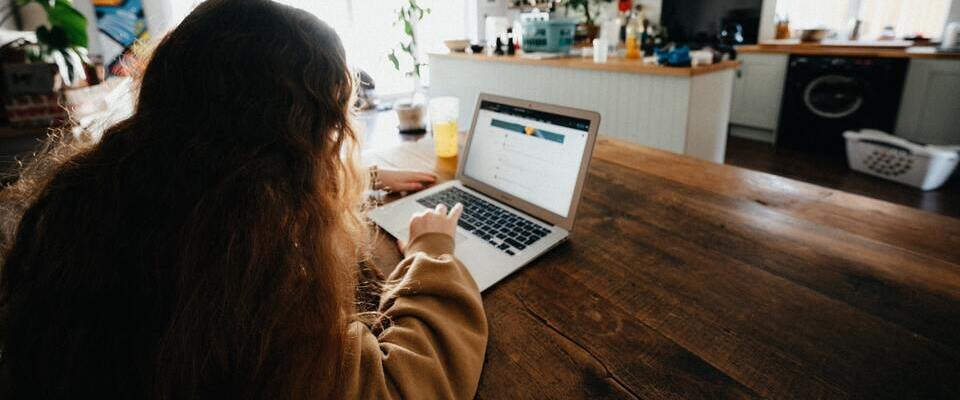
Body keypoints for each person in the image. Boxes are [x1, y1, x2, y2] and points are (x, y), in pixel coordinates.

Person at [0, 0, 487, 399]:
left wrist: (365, 175)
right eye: (328, 123)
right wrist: (432, 254)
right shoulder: (244, 280)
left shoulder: (94, 195)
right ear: (295, 140)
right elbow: (403, 388)